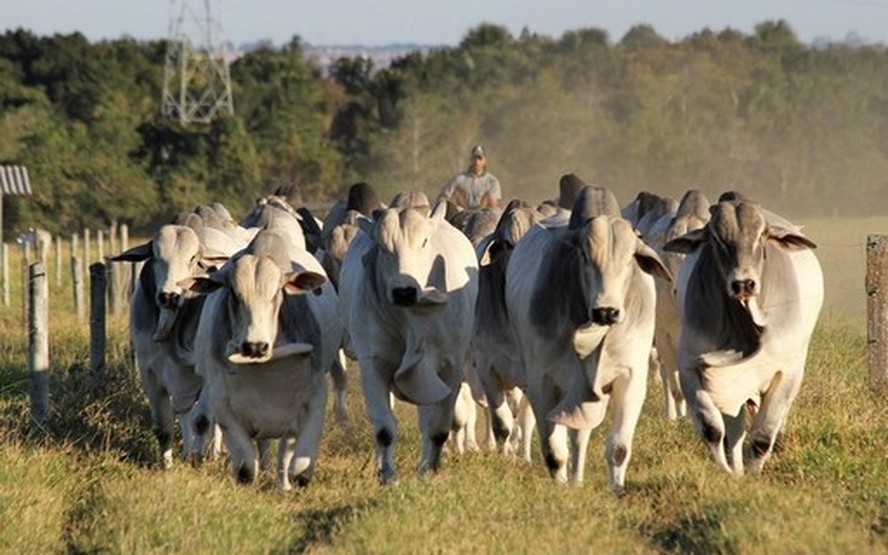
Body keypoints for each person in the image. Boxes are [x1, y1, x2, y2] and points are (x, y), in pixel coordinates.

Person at [436, 144, 501, 209]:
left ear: (485, 161)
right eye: (474, 158)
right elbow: (442, 197)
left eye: (479, 158)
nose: (476, 162)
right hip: (462, 215)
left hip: (484, 215)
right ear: (470, 160)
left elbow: (494, 205)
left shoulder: (492, 182)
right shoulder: (459, 179)